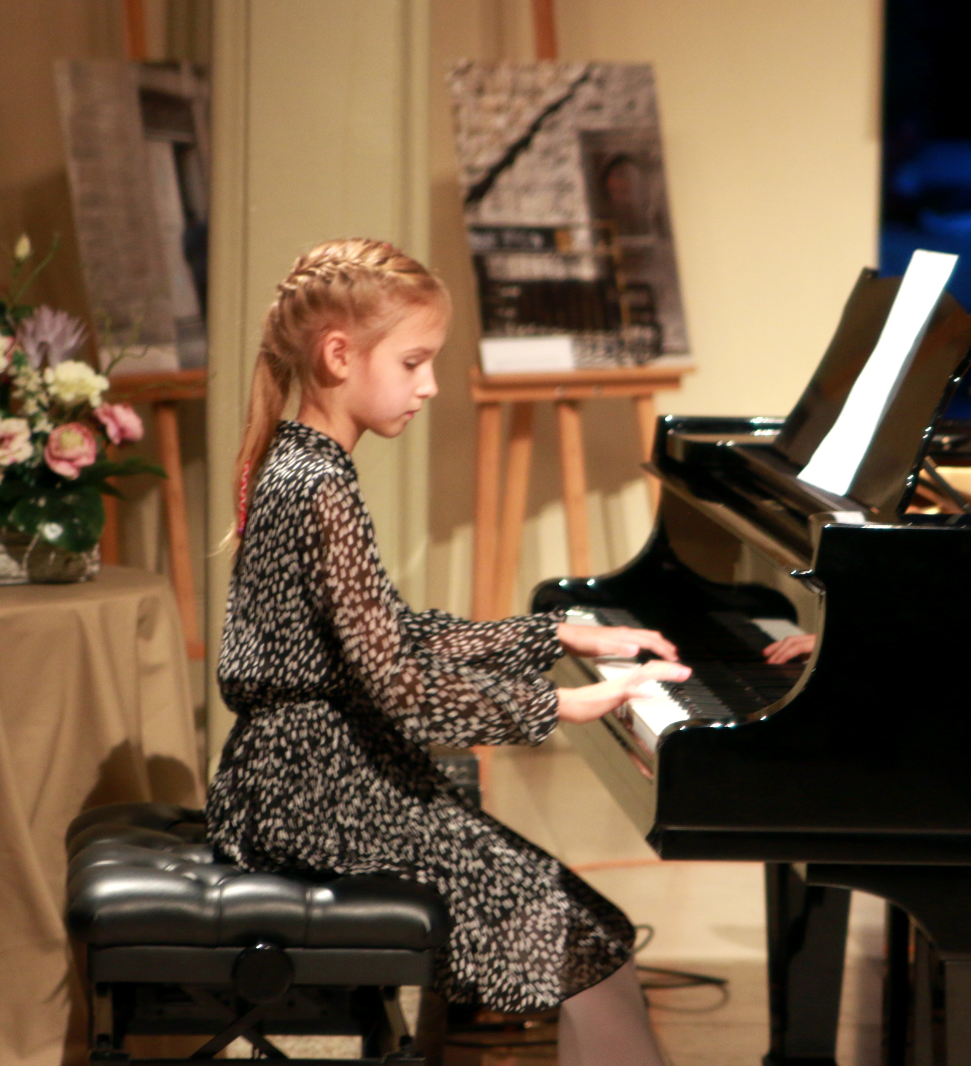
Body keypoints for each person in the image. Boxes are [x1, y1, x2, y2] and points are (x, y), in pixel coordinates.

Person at [209, 238, 689, 1066]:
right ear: (338, 356)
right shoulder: (319, 485)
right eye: (414, 362)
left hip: (299, 781)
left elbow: (392, 635)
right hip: (320, 799)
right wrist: (560, 702)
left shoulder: (295, 461)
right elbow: (401, 684)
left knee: (593, 939)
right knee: (589, 946)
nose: (430, 385)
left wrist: (554, 635)